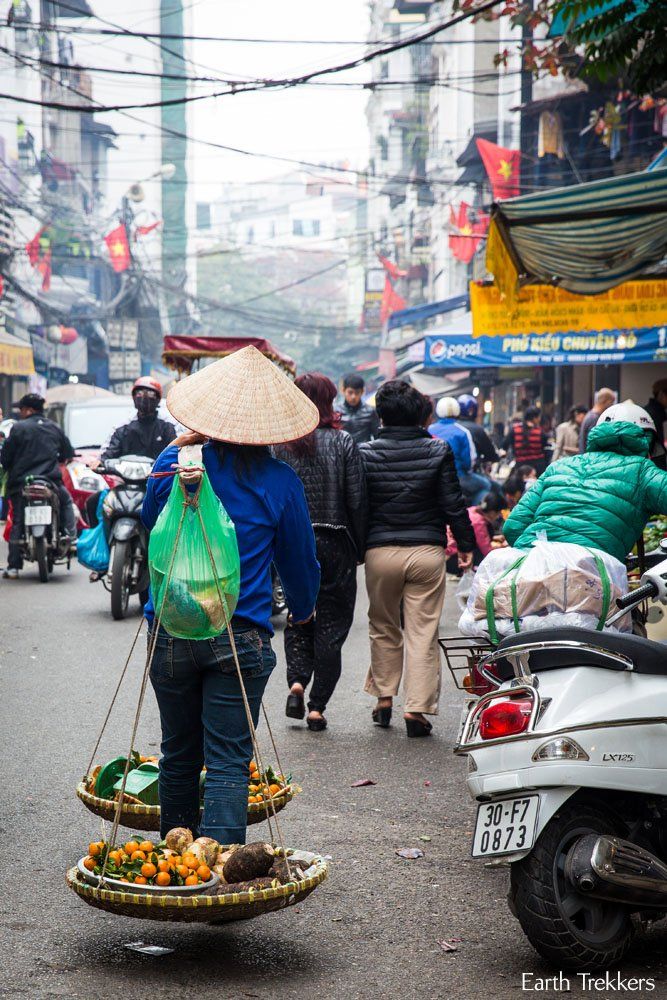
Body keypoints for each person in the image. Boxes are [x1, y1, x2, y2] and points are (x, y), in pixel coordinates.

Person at [141, 346, 320, 845]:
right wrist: (303, 610)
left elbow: (150, 528)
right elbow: (300, 564)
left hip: (170, 632)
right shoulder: (280, 482)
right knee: (226, 760)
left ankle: (177, 868)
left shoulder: (173, 460)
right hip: (240, 636)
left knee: (178, 753)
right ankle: (217, 873)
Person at [360, 380, 474, 738]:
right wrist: (467, 544)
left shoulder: (364, 453)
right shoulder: (438, 450)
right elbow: (453, 502)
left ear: (380, 414)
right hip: (426, 551)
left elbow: (358, 505)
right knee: (422, 632)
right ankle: (417, 710)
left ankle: (383, 697)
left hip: (380, 552)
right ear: (421, 414)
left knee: (383, 626)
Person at [274, 373, 367, 732]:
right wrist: (358, 547)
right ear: (331, 400)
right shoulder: (344, 442)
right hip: (336, 542)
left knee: (300, 617)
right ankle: (316, 707)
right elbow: (357, 500)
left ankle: (297, 682)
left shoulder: (280, 446)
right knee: (332, 626)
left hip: (294, 543)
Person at [504, 402, 667, 564]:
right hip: (589, 578)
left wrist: (540, 554)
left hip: (528, 569)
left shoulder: (558, 466)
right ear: (648, 441)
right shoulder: (643, 471)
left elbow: (512, 526)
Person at [0, 394, 77, 579]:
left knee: (18, 518)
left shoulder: (18, 428)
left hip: (21, 484)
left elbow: (5, 458)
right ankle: (70, 536)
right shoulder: (54, 427)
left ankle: (13, 567)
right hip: (50, 482)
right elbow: (67, 453)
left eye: (22, 409)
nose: (20, 413)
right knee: (66, 501)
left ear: (29, 410)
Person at [100, 376, 176, 462]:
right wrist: (101, 461)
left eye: (150, 394)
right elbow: (107, 454)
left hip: (161, 474)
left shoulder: (169, 426)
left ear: (158, 399)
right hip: (124, 474)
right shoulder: (122, 428)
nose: (144, 397)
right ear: (134, 397)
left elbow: (178, 450)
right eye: (140, 393)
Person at [430, 397, 489, 504]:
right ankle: (474, 515)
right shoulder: (462, 432)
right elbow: (469, 462)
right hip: (458, 477)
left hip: (433, 477)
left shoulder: (429, 429)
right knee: (486, 485)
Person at [446, 491, 506, 573]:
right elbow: (486, 551)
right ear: (492, 512)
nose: (499, 516)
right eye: (499, 513)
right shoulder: (479, 522)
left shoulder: (472, 510)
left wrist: (495, 538)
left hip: (447, 551)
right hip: (453, 557)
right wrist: (503, 548)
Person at [502, 405, 550, 476]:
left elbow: (505, 445)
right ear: (534, 418)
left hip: (520, 467)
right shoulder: (540, 432)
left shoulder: (514, 430)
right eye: (539, 417)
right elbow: (545, 448)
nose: (539, 419)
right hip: (538, 469)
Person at [457, 394, 499, 467]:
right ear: (472, 410)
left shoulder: (452, 427)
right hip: (469, 472)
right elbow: (491, 455)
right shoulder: (478, 430)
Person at [339, 373, 380, 444]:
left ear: (362, 392)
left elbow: (377, 437)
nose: (353, 397)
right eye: (350, 392)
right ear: (343, 390)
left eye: (357, 393)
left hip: (364, 453)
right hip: (342, 453)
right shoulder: (336, 412)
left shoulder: (370, 411)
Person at [579, 387, 616, 453]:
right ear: (605, 401)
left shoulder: (590, 415)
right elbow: (593, 444)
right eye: (611, 402)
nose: (612, 405)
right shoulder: (595, 418)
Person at [645, 378, 667, 470]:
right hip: (655, 467)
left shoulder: (654, 412)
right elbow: (655, 448)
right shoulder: (655, 414)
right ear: (661, 394)